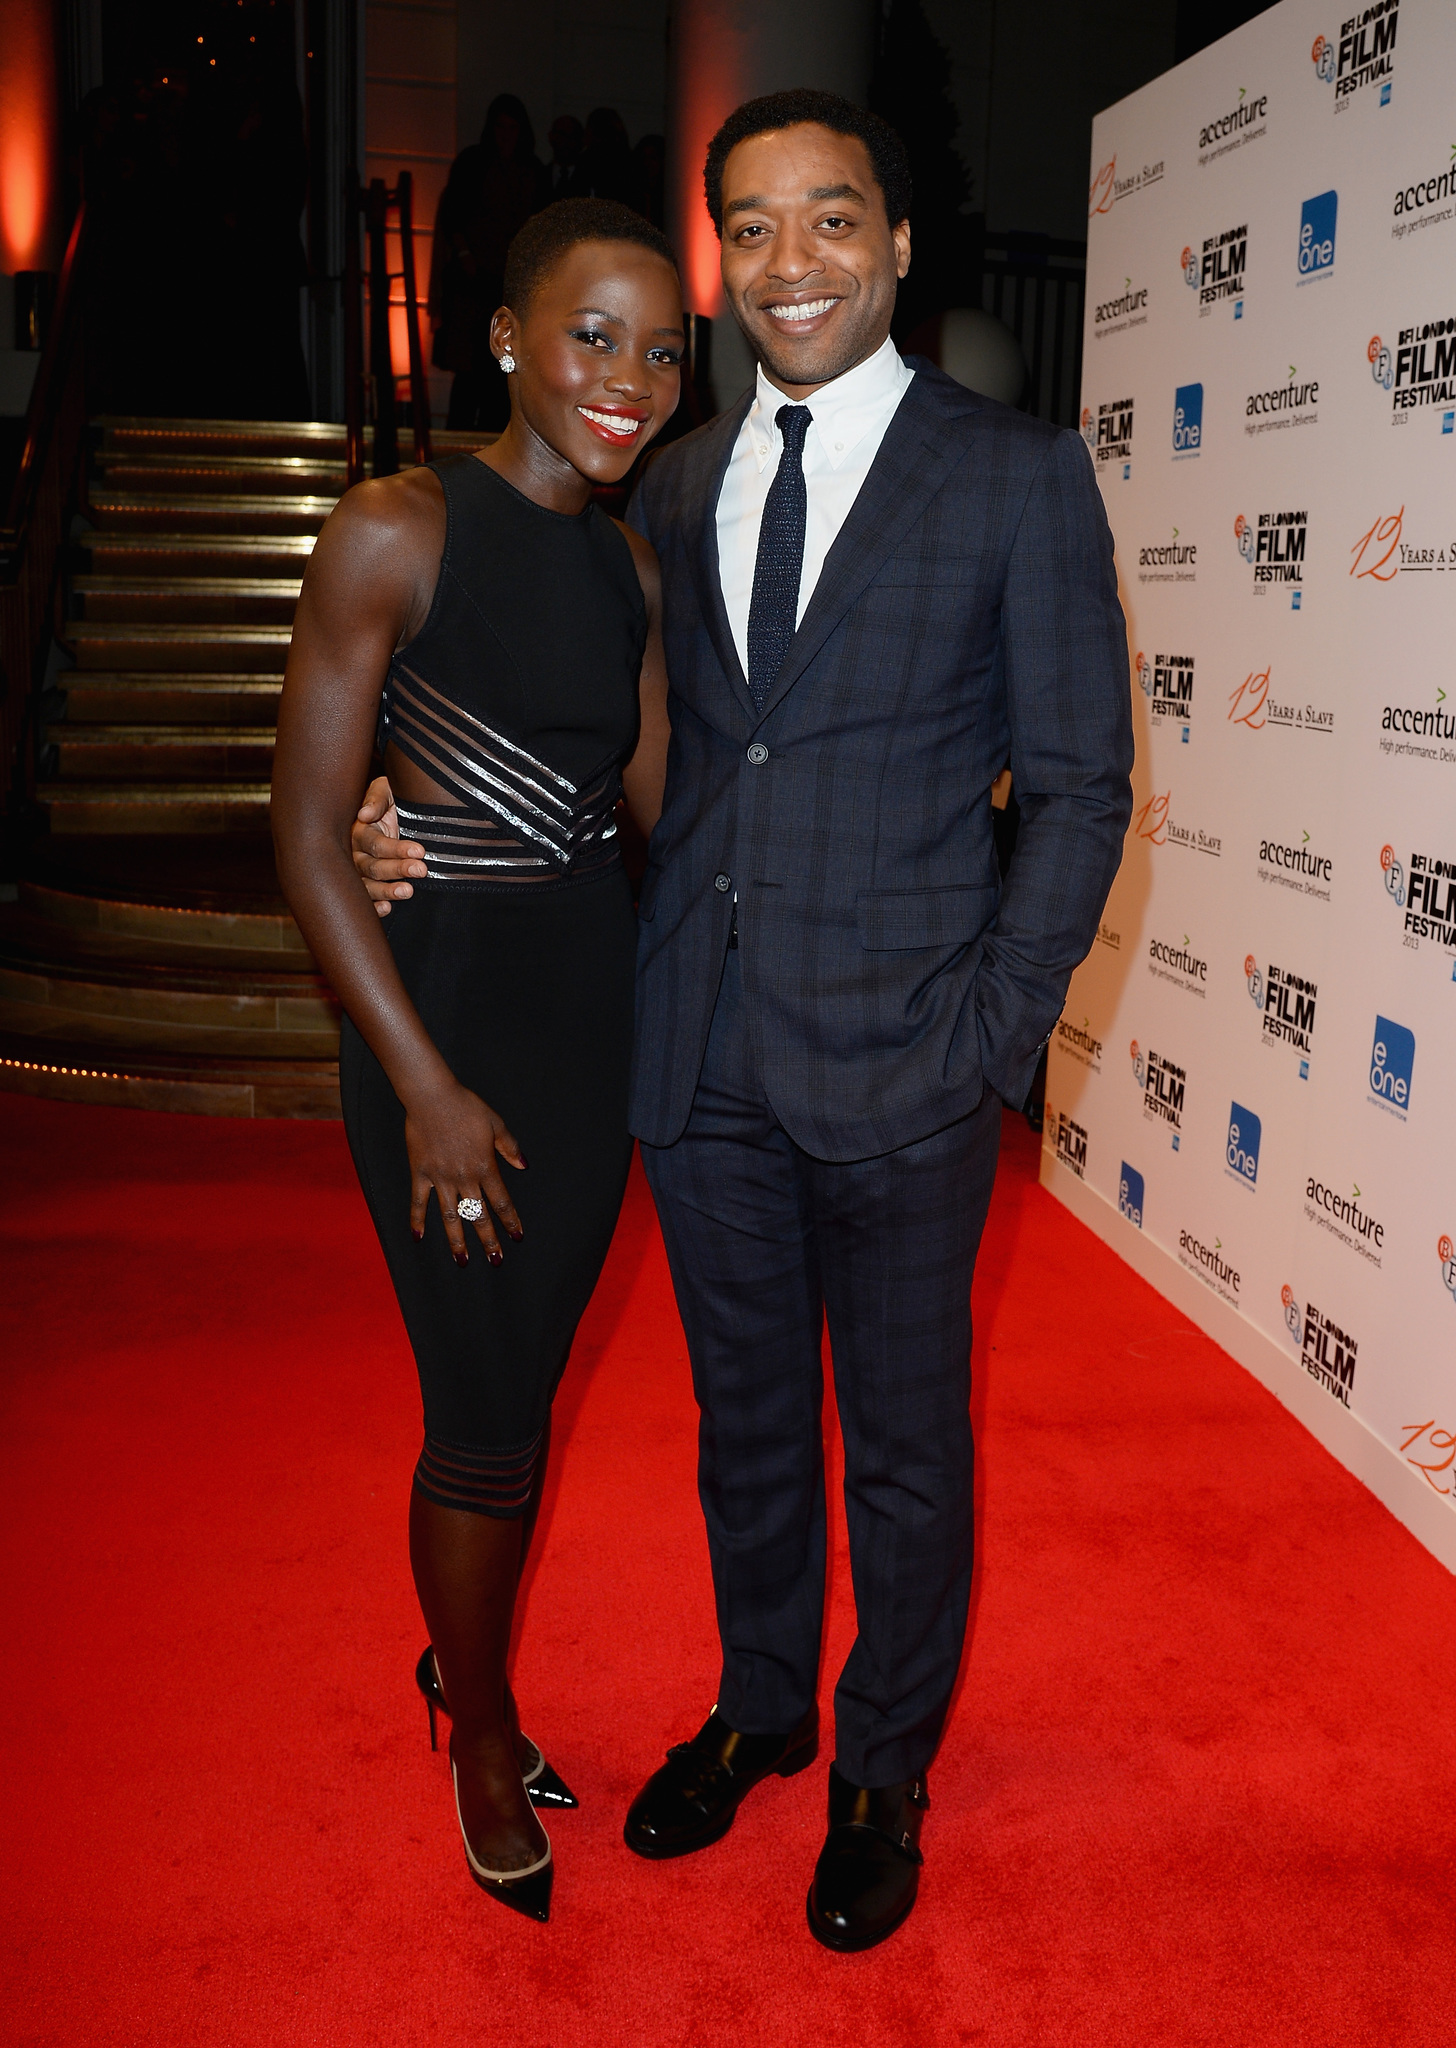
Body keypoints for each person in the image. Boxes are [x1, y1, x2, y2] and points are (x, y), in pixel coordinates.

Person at [354, 89, 1132, 1952]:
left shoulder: (1015, 475)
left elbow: (1084, 787)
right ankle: (764, 1704)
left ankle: (883, 1766)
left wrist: (993, 1032)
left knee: (907, 1441)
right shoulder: (675, 482)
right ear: (725, 267)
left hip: (909, 1061)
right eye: (757, 229)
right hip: (692, 1052)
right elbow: (617, 743)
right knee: (746, 1424)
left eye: (831, 218)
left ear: (897, 243)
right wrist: (406, 817)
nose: (795, 261)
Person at [271, 198, 683, 1924]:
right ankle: (483, 1726)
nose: (629, 379)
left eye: (664, 350)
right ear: (507, 336)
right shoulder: (395, 526)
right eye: (593, 335)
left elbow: (662, 808)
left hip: (591, 1023)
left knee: (527, 1381)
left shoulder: (629, 563)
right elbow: (303, 834)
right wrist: (426, 1083)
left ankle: (469, 1678)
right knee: (486, 1409)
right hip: (443, 1028)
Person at [429, 95, 550, 431]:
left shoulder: (534, 170)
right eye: (500, 126)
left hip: (511, 285)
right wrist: (465, 254)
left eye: (513, 127)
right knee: (467, 371)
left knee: (504, 366)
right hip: (471, 282)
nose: (506, 134)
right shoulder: (472, 162)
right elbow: (452, 215)